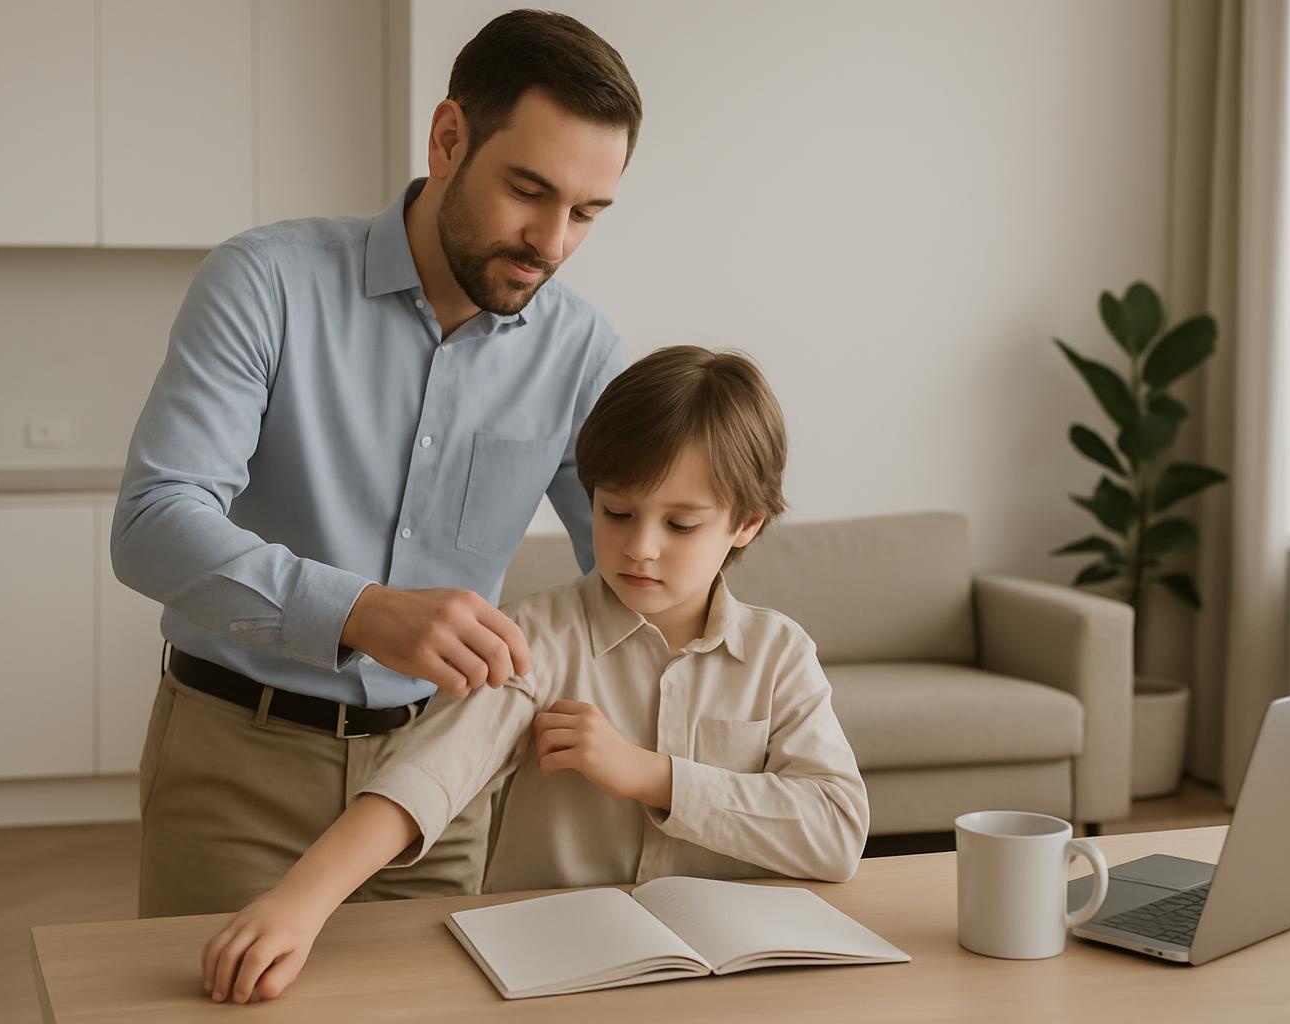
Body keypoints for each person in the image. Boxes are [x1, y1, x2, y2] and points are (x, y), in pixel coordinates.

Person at [110, 10, 642, 917]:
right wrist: (361, 613)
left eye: (586, 213)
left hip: (441, 778)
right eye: (528, 190)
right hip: (238, 766)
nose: (551, 244)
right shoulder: (265, 282)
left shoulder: (583, 349)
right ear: (448, 139)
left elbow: (630, 570)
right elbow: (153, 525)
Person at [200, 347, 870, 1004]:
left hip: (740, 987)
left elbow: (837, 830)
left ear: (746, 524)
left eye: (681, 523)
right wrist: (299, 903)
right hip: (558, 981)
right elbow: (427, 776)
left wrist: (647, 775)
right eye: (617, 512)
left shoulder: (780, 654)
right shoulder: (533, 639)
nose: (640, 546)